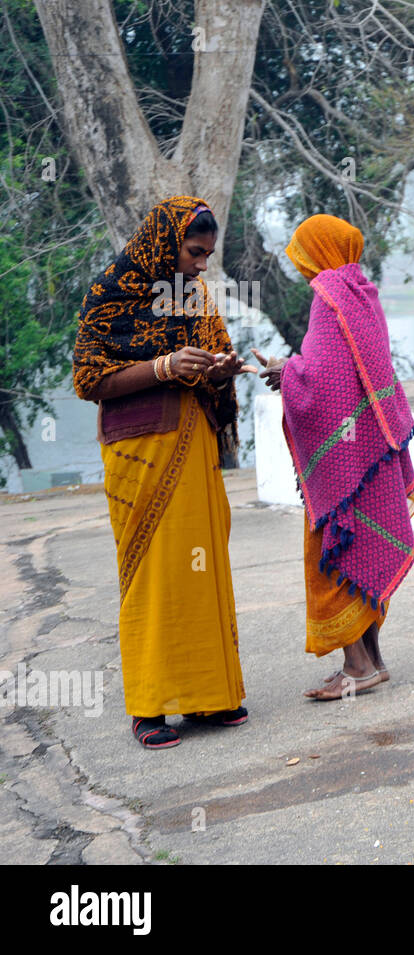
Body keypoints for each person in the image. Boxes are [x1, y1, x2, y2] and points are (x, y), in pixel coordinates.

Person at [73, 195, 251, 749]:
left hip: (192, 443)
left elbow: (218, 373)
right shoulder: (110, 294)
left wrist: (221, 371)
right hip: (138, 452)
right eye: (195, 253)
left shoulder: (194, 299)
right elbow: (89, 379)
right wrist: (161, 367)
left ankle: (209, 696)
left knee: (200, 570)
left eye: (208, 256)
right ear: (162, 244)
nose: (202, 265)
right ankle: (149, 707)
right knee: (153, 575)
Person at [255, 215, 414, 701]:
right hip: (372, 448)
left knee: (336, 550)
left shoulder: (327, 295)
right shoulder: (359, 289)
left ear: (318, 252)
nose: (301, 266)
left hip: (345, 461)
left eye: (303, 254)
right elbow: (355, 371)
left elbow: (322, 380)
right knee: (364, 543)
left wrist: (286, 372)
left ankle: (357, 668)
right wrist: (295, 371)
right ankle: (374, 661)